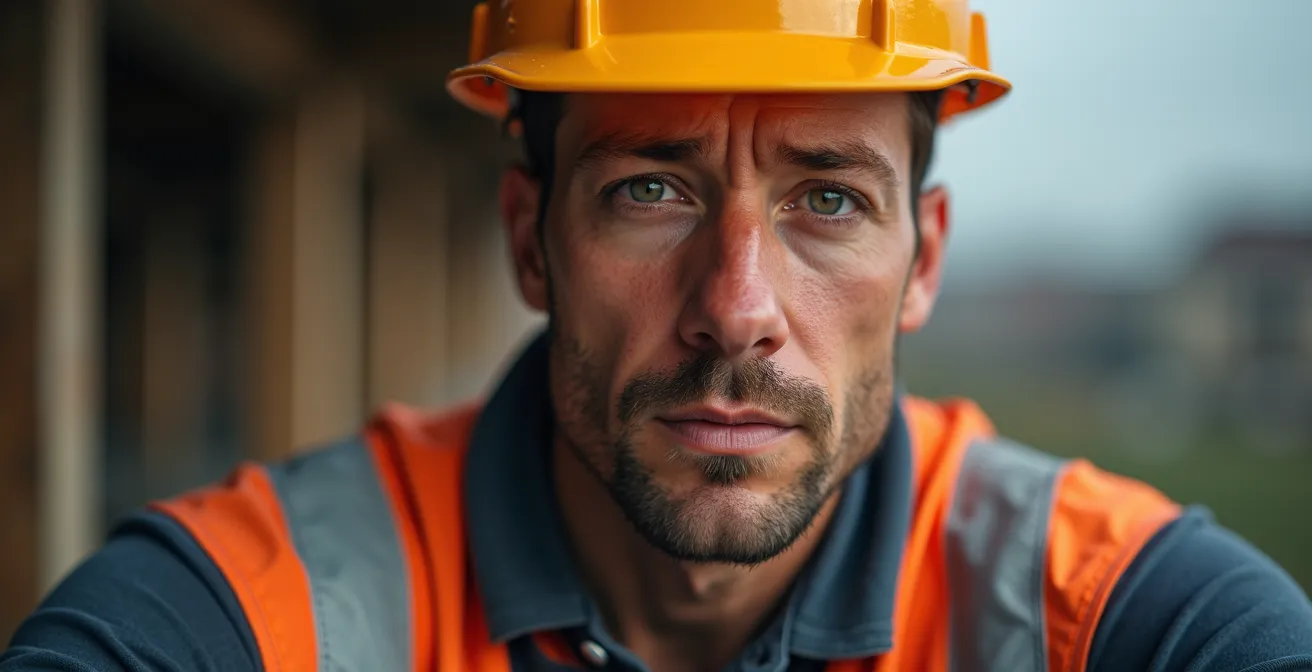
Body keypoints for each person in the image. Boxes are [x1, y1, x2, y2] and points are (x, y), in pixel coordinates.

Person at [5, 0, 1312, 670]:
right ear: (530, 240)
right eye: (651, 190)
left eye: (826, 200)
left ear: (923, 262)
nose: (736, 307)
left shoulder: (1105, 611)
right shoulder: (262, 603)